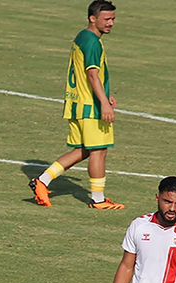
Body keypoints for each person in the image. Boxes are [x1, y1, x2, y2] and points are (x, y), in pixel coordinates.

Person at [29, 0, 123, 210]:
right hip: (90, 107)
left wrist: (106, 95)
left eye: (113, 19)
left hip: (77, 103)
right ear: (92, 18)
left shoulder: (82, 36)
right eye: (106, 19)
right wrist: (103, 104)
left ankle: (42, 181)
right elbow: (92, 75)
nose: (111, 23)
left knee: (84, 150)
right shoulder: (92, 42)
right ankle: (98, 200)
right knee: (99, 150)